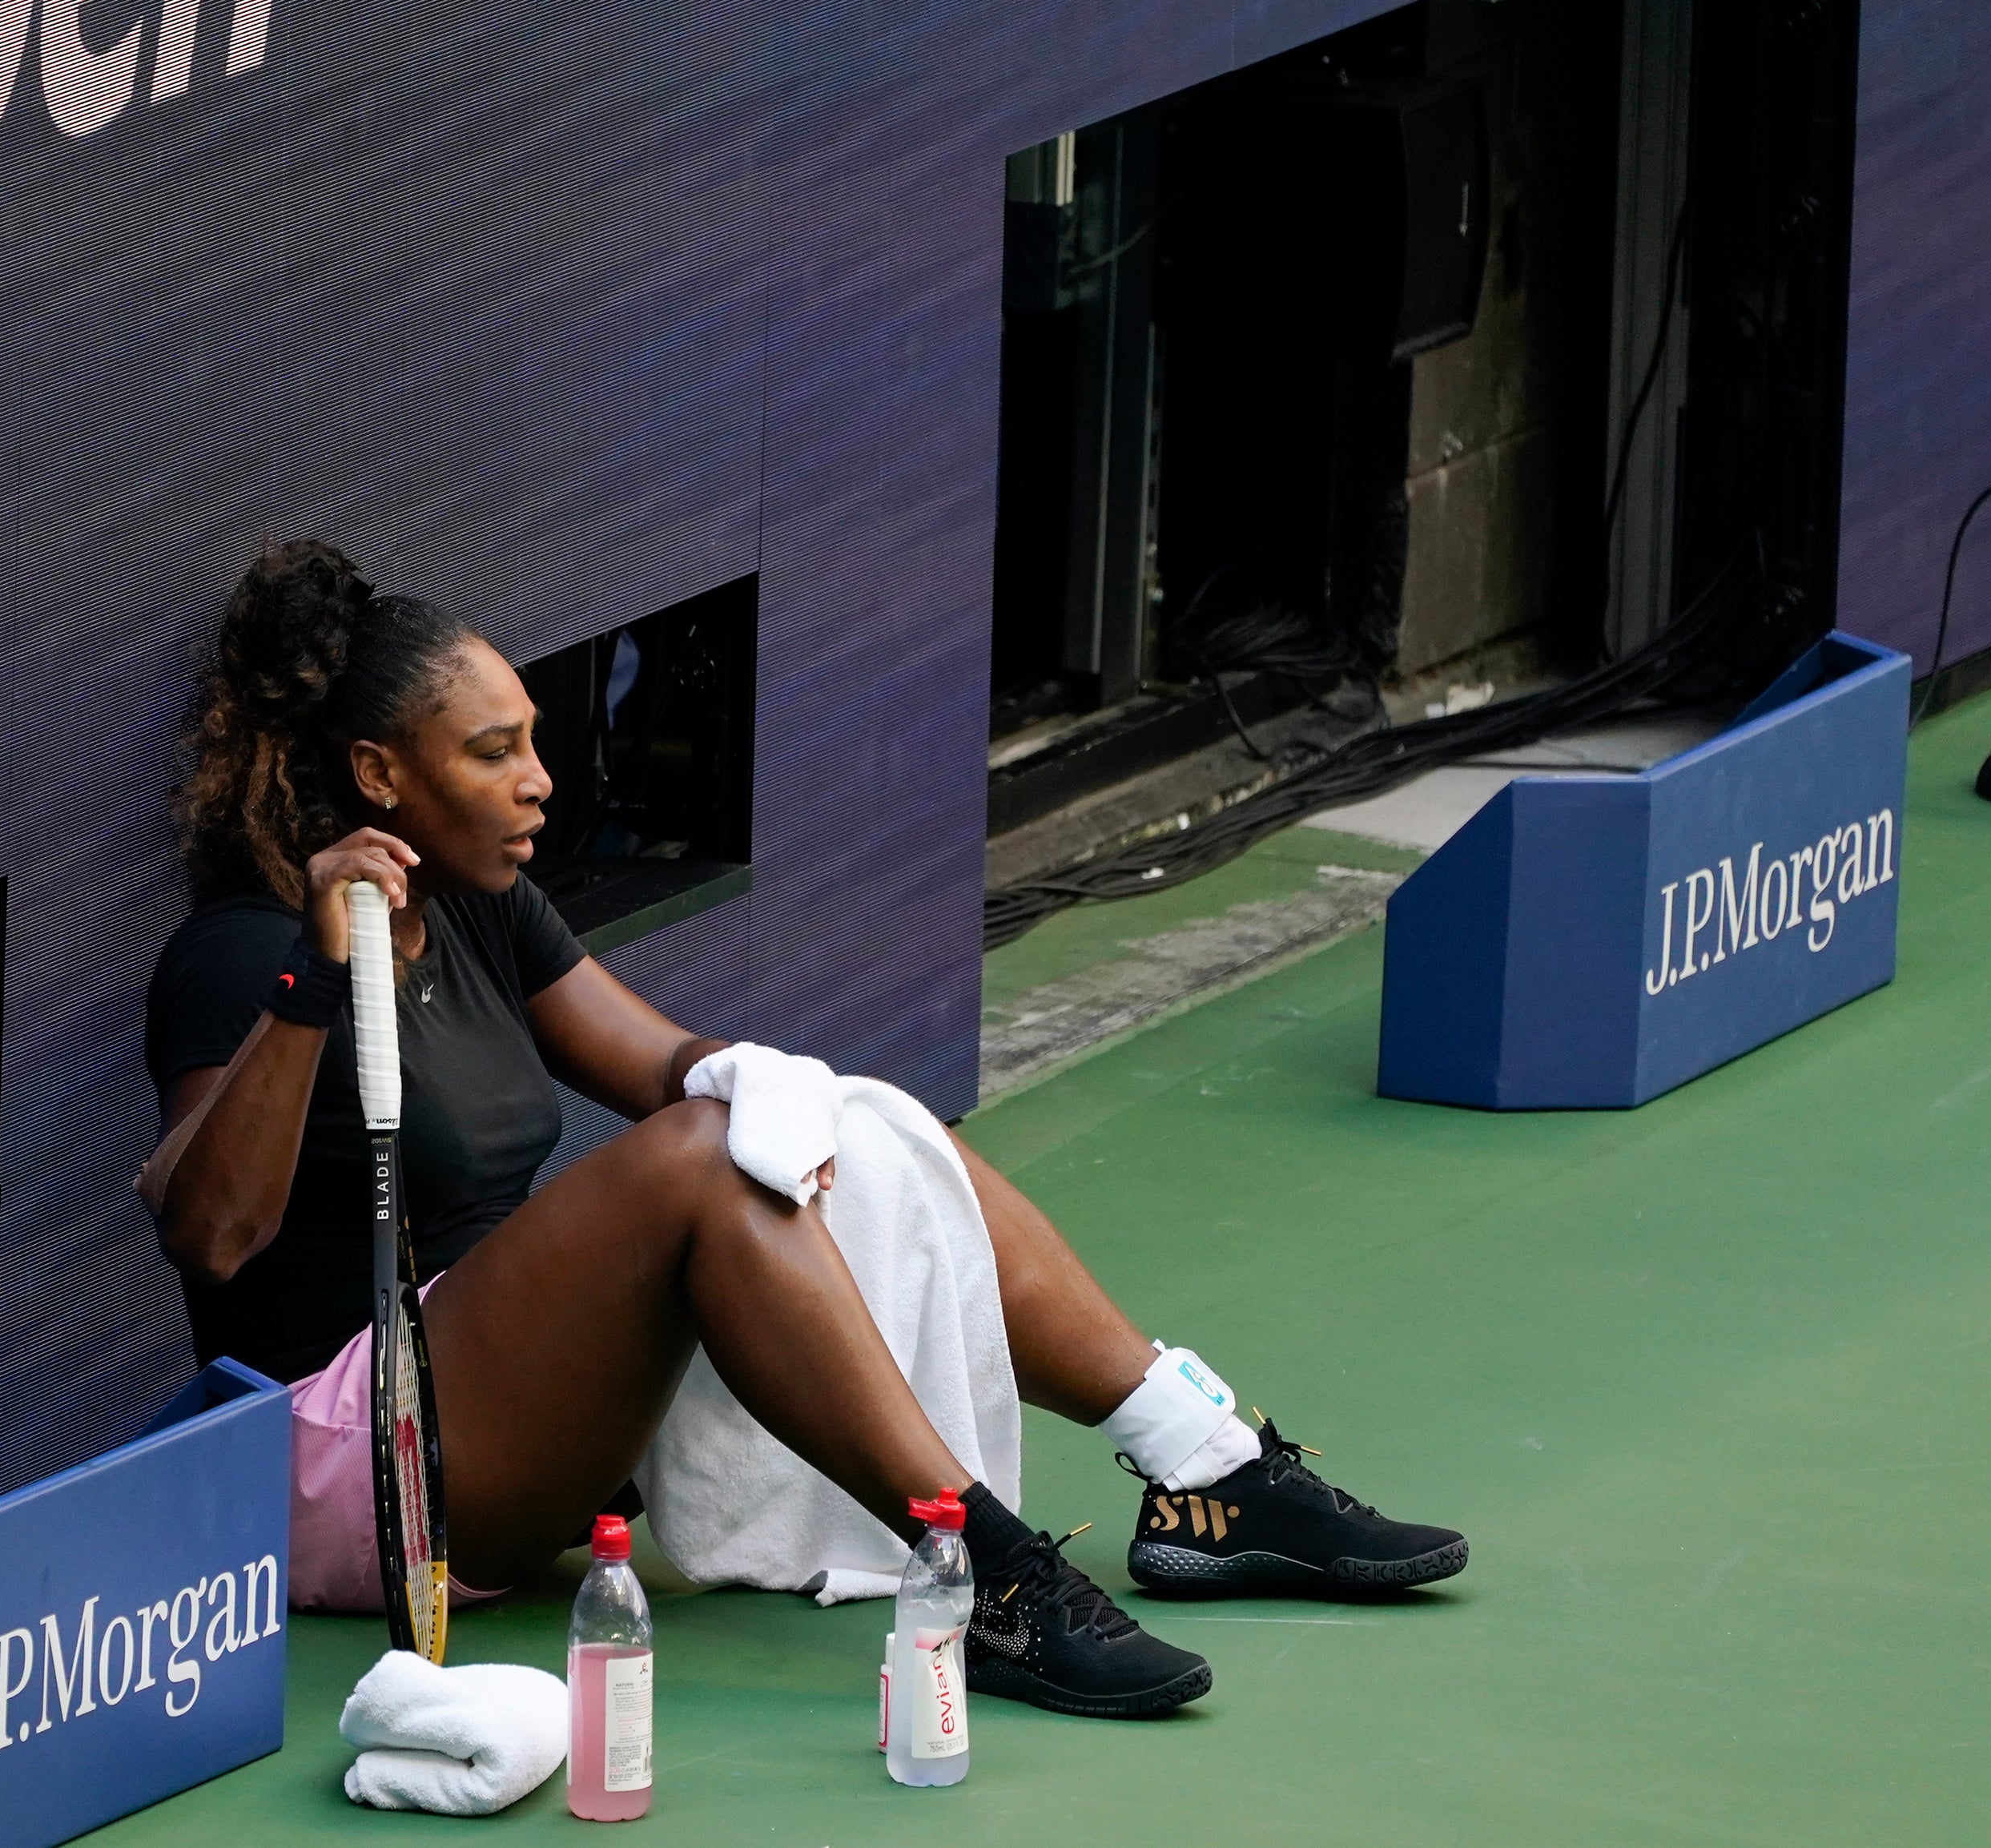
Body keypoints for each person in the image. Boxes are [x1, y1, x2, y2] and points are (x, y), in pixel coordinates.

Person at [139, 542, 1465, 1719]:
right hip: (345, 1465)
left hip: (513, 1419)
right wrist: (315, 980)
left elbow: (664, 1063)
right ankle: (989, 1571)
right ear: (380, 773)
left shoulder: (482, 902)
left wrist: (775, 1084)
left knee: (850, 1116)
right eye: (494, 754)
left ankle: (1201, 1460)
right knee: (700, 1169)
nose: (540, 781)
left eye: (534, 737)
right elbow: (210, 1236)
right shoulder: (240, 957)